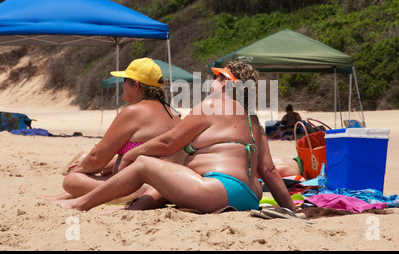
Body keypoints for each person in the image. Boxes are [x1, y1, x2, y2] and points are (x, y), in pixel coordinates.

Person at [54, 60, 295, 213]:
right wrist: (291, 210)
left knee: (145, 165)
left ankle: (79, 204)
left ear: (226, 84)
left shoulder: (212, 105)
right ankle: (130, 210)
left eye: (217, 76)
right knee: (162, 182)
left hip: (220, 190)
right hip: (251, 197)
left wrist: (134, 153)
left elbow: (168, 142)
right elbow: (270, 172)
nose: (212, 80)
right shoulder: (253, 121)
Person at [55, 58, 183, 201]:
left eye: (124, 81)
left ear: (136, 85)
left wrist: (78, 170)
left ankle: (119, 197)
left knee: (71, 181)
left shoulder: (135, 112)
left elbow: (96, 158)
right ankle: (52, 199)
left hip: (139, 188)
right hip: (162, 186)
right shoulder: (172, 113)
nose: (121, 85)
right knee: (103, 176)